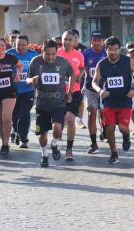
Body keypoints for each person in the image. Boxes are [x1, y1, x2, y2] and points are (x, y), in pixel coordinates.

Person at [92, 36, 134, 164]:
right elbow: (94, 82)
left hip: (125, 99)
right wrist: (100, 91)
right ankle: (114, 153)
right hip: (109, 99)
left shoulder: (128, 61)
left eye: (116, 49)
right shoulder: (101, 64)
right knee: (109, 128)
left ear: (120, 49)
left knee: (122, 127)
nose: (113, 52)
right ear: (106, 50)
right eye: (110, 49)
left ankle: (126, 137)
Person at [27, 39, 74, 167]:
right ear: (42, 51)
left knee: (57, 128)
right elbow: (27, 79)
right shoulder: (35, 62)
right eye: (47, 54)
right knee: (42, 134)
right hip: (41, 104)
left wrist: (69, 91)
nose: (51, 57)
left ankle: (54, 144)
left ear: (56, 52)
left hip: (58, 103)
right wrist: (32, 80)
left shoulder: (63, 63)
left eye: (53, 54)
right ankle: (44, 155)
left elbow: (72, 74)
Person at [0, 36, 23, 156]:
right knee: (1, 120)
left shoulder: (11, 58)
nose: (0, 48)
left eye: (2, 45)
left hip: (9, 92)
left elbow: (20, 65)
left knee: (7, 117)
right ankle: (4, 141)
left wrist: (18, 74)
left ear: (5, 46)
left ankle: (5, 145)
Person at [57, 30, 85, 160]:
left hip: (74, 91)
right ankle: (55, 142)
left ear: (75, 41)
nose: (67, 42)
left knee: (70, 118)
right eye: (65, 39)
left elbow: (82, 68)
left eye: (69, 39)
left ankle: (69, 149)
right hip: (58, 92)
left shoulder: (78, 55)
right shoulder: (56, 53)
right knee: (58, 122)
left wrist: (80, 75)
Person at [7, 35, 39, 148]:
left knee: (24, 113)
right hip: (13, 90)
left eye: (23, 45)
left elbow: (40, 69)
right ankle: (15, 131)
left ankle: (23, 138)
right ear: (14, 44)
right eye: (18, 45)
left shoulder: (34, 55)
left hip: (28, 90)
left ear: (28, 45)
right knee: (15, 114)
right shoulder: (9, 54)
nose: (21, 47)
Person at [82, 30, 106, 153]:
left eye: (99, 40)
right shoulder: (86, 53)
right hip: (90, 88)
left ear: (103, 41)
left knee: (104, 115)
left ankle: (105, 130)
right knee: (92, 114)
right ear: (91, 41)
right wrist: (80, 83)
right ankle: (93, 143)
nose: (97, 43)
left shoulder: (107, 52)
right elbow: (83, 70)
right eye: (94, 40)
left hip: (105, 89)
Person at [72, 29, 87, 129]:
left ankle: (79, 119)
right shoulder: (63, 49)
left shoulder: (83, 49)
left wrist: (80, 76)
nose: (73, 40)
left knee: (80, 98)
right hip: (66, 78)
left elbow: (85, 65)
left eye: (75, 38)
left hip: (79, 78)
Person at [125, 41, 134, 136]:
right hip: (128, 87)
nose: (132, 53)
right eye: (130, 51)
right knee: (128, 109)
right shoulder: (125, 60)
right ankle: (127, 127)